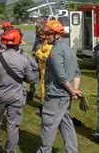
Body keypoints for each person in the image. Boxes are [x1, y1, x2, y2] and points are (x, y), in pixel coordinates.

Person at [0, 28, 35, 153]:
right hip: (16, 97)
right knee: (13, 126)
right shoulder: (24, 59)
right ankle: (10, 151)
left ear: (5, 42)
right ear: (18, 42)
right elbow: (30, 80)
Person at [37, 20, 82, 153]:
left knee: (48, 123)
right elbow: (77, 73)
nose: (46, 36)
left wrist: (72, 91)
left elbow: (60, 76)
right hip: (65, 95)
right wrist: (74, 90)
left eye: (48, 34)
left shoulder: (56, 51)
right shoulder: (69, 49)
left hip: (56, 95)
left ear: (57, 35)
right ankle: (72, 150)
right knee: (66, 122)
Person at [35, 29, 53, 102]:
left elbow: (45, 57)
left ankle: (45, 98)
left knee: (45, 82)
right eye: (40, 34)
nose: (40, 36)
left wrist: (38, 52)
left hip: (47, 67)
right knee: (42, 82)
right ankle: (43, 97)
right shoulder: (41, 43)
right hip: (41, 67)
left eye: (42, 34)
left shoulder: (49, 45)